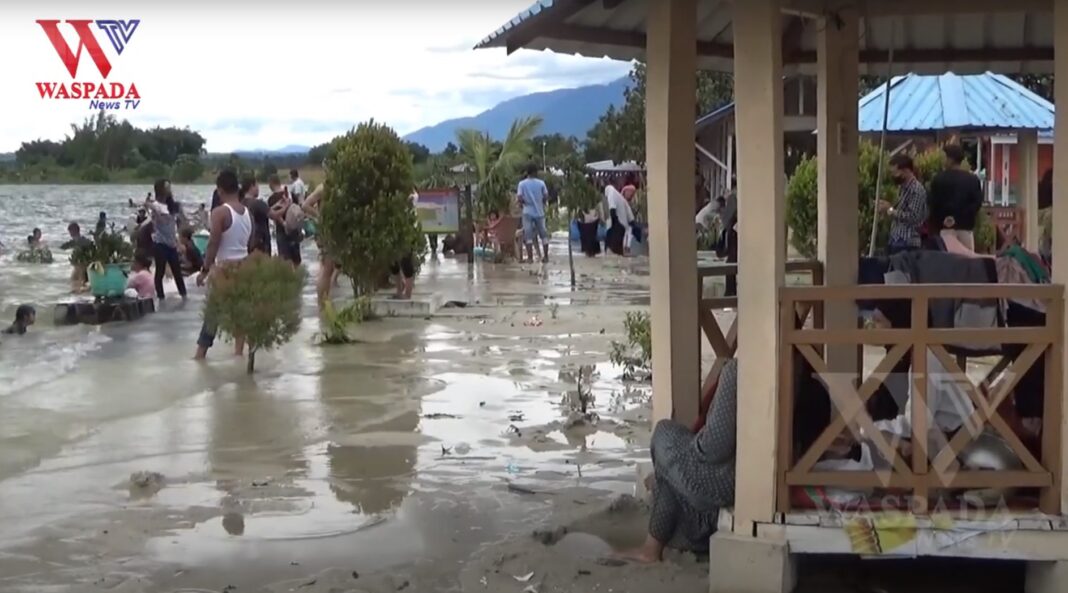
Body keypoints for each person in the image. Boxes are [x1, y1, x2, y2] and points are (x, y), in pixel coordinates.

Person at [619, 358, 737, 563]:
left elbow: (712, 450)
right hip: (746, 480)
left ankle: (650, 550)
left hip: (730, 484)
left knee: (664, 432)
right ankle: (650, 550)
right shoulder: (798, 368)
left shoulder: (740, 370)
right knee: (669, 477)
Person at [195, 169, 252, 360]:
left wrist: (204, 270)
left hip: (225, 268)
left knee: (213, 312)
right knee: (240, 311)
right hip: (244, 265)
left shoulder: (220, 212)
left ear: (219, 190)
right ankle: (239, 353)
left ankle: (200, 355)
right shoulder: (246, 212)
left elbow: (213, 243)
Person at [929, 144, 983, 250]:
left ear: (950, 159)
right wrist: (959, 218)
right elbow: (976, 203)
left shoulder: (938, 179)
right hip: (965, 227)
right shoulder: (972, 180)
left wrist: (944, 219)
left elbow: (933, 203)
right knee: (967, 262)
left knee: (946, 261)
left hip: (944, 227)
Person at [879, 153, 929, 255]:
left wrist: (890, 210)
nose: (893, 176)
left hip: (907, 241)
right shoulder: (903, 188)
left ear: (905, 171)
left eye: (895, 172)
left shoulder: (916, 190)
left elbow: (914, 217)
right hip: (897, 238)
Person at [148, 179, 187, 300]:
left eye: (169, 187)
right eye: (167, 187)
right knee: (160, 272)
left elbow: (181, 222)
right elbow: (158, 222)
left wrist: (180, 241)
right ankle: (161, 298)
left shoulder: (173, 206)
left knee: (177, 272)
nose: (169, 190)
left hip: (172, 244)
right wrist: (156, 212)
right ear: (160, 190)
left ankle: (184, 295)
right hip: (160, 243)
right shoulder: (155, 206)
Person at [516, 163, 550, 263]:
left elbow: (519, 197)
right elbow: (546, 195)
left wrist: (524, 204)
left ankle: (530, 258)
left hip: (527, 212)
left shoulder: (522, 184)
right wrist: (541, 203)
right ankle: (546, 256)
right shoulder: (541, 183)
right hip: (539, 212)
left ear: (527, 172)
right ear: (536, 172)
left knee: (528, 235)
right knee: (543, 234)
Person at [241, 175, 272, 255]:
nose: (258, 188)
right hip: (261, 242)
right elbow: (273, 215)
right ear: (252, 186)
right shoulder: (258, 203)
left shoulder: (241, 203)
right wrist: (286, 206)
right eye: (257, 186)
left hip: (247, 242)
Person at [604, 177, 634, 256]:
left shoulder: (610, 190)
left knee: (611, 252)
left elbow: (612, 207)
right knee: (618, 253)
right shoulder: (622, 199)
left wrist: (615, 222)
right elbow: (631, 218)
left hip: (616, 226)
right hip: (621, 228)